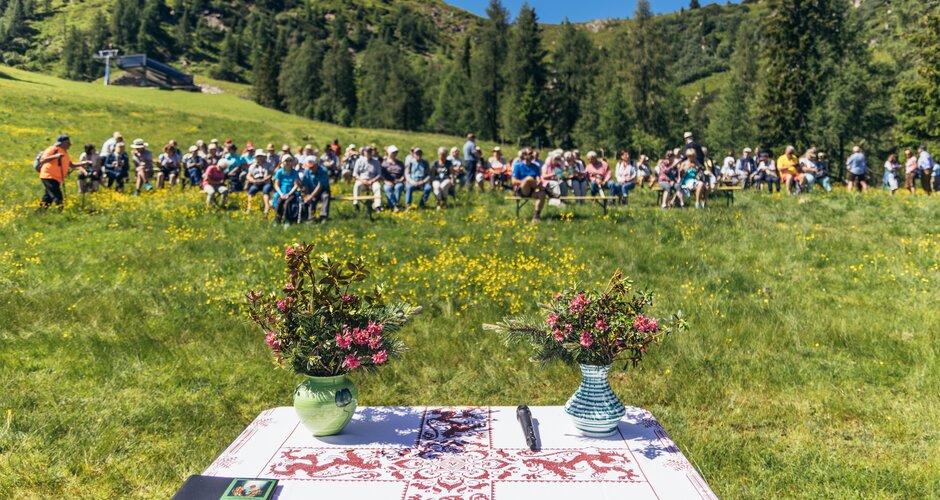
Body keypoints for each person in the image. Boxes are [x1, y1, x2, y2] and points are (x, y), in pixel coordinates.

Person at [38, 135, 88, 208]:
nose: (70, 144)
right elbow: (42, 160)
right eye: (68, 143)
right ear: (62, 143)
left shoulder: (65, 152)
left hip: (57, 178)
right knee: (57, 196)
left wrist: (83, 163)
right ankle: (61, 210)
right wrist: (55, 156)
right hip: (49, 175)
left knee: (48, 197)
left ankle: (40, 212)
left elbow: (71, 165)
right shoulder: (53, 149)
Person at [512, 147, 545, 222]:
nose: (531, 155)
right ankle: (547, 190)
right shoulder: (518, 165)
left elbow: (538, 178)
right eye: (529, 153)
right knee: (529, 178)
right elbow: (513, 181)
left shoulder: (535, 166)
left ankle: (536, 216)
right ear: (524, 155)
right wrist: (525, 182)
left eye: (532, 153)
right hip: (522, 190)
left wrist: (538, 181)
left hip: (532, 190)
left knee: (542, 194)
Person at [271, 155, 301, 225]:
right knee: (279, 202)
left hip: (292, 192)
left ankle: (286, 220)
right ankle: (277, 220)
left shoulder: (294, 172)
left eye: (290, 161)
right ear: (282, 162)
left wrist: (289, 194)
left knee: (287, 203)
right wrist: (281, 194)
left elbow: (296, 185)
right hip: (282, 192)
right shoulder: (279, 172)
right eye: (286, 161)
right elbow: (276, 185)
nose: (288, 162)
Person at [352, 146, 383, 210]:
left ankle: (378, 206)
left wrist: (372, 181)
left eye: (370, 151)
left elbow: (379, 174)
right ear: (364, 152)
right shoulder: (359, 161)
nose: (369, 153)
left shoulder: (376, 162)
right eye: (367, 151)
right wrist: (362, 180)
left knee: (378, 187)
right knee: (357, 185)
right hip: (362, 180)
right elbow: (355, 173)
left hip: (372, 181)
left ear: (372, 152)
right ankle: (356, 203)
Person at [301, 157, 331, 223]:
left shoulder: (323, 170)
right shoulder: (307, 171)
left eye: (312, 167)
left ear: (316, 164)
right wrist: (307, 195)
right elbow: (305, 185)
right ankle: (311, 217)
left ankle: (323, 216)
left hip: (323, 190)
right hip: (312, 190)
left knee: (326, 196)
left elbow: (320, 186)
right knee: (311, 200)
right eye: (309, 167)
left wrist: (310, 196)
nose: (310, 168)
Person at [245, 151, 274, 217]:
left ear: (263, 157)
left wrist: (264, 179)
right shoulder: (253, 166)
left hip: (266, 181)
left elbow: (270, 174)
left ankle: (267, 208)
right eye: (258, 156)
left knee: (265, 191)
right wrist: (253, 180)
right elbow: (248, 176)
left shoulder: (268, 164)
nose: (260, 158)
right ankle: (249, 208)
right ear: (256, 157)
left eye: (261, 156)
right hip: (256, 181)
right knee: (251, 191)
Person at [382, 146, 405, 212]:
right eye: (393, 153)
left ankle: (395, 205)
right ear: (389, 153)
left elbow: (404, 173)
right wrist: (386, 181)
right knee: (387, 188)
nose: (395, 154)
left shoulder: (400, 162)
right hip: (388, 181)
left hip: (398, 180)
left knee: (399, 187)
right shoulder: (385, 163)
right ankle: (394, 206)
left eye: (396, 152)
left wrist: (401, 179)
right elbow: (382, 174)